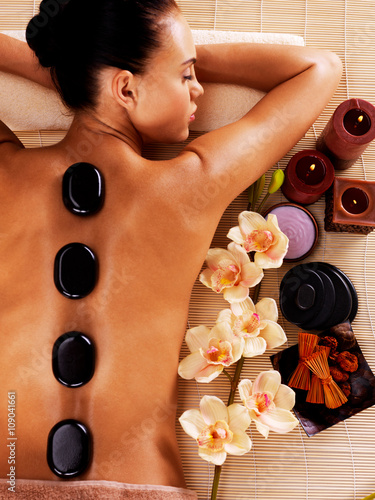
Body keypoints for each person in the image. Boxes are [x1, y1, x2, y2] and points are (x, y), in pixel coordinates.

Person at [0, 0, 342, 498]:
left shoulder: (8, 176)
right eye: (186, 75)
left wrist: (75, 71)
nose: (199, 87)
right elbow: (319, 68)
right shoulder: (191, 185)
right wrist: (94, 69)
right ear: (125, 86)